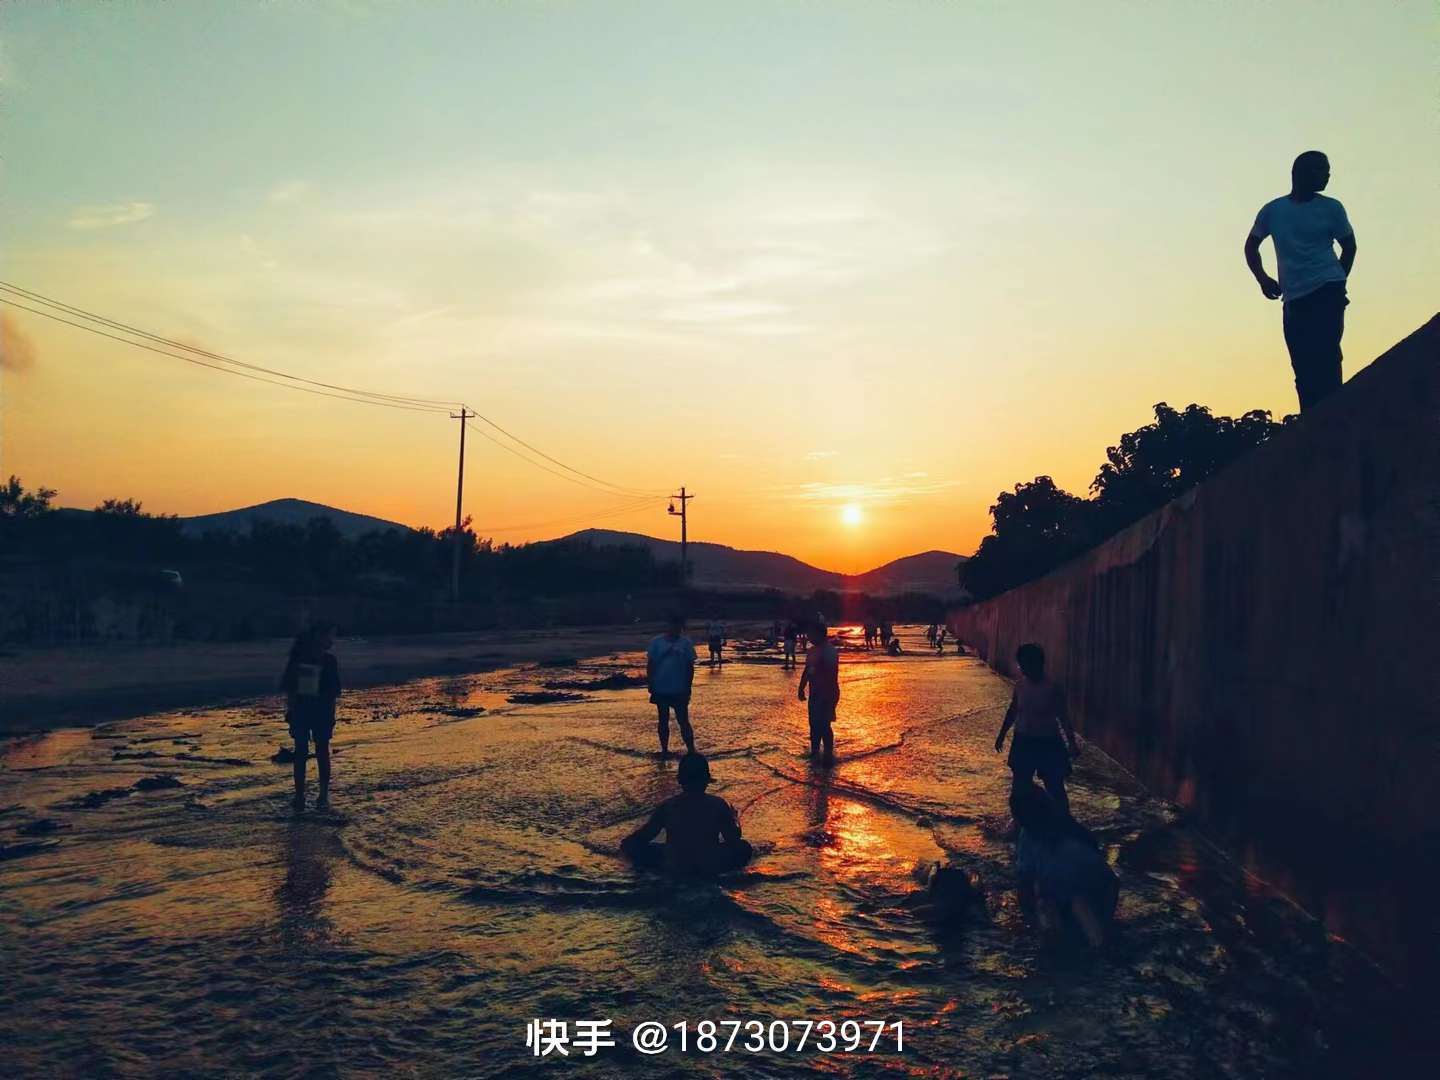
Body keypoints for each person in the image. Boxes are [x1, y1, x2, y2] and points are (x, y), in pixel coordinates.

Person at [1244, 150, 1357, 412]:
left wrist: (1339, 280)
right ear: (1300, 173)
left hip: (1327, 289)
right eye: (1320, 169)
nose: (1327, 175)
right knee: (1302, 363)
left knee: (1327, 354)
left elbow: (1349, 246)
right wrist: (1263, 279)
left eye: (1327, 170)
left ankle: (1334, 412)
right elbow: (1251, 246)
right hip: (1294, 296)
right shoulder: (1273, 210)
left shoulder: (1331, 208)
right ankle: (1311, 419)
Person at [1011, 781, 1117, 948]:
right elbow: (1025, 880)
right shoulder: (1029, 835)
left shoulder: (1071, 846)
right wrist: (1031, 919)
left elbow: (1109, 883)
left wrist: (1104, 920)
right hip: (1060, 890)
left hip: (1088, 894)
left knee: (1079, 909)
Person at [621, 752, 753, 874]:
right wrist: (735, 819)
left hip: (675, 863)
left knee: (639, 848)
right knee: (743, 847)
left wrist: (628, 843)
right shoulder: (717, 804)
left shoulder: (668, 806)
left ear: (680, 780)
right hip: (708, 863)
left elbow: (644, 835)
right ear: (706, 780)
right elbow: (732, 838)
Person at [994, 643, 1079, 813]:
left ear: (1038, 663)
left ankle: (1063, 819)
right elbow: (1013, 711)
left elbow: (1063, 717)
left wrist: (1072, 743)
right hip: (1023, 740)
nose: (1023, 669)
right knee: (1019, 785)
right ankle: (1021, 819)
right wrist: (1001, 735)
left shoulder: (1052, 688)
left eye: (1026, 664)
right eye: (1021, 665)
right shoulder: (1020, 686)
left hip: (1048, 741)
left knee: (1054, 786)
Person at [280, 622, 341, 812]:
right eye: (330, 636)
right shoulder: (327, 660)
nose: (332, 640)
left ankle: (300, 797)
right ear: (320, 637)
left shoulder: (300, 657)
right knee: (320, 752)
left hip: (303, 711)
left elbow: (289, 688)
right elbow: (335, 691)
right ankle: (321, 796)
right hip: (317, 711)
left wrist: (291, 709)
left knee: (301, 753)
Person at [647, 613, 697, 756]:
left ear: (681, 627)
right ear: (668, 626)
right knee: (663, 720)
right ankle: (664, 750)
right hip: (661, 687)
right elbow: (651, 664)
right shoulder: (656, 643)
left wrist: (688, 686)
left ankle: (692, 751)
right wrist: (650, 683)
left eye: (678, 626)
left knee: (683, 720)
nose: (675, 628)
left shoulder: (686, 643)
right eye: (672, 625)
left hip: (679, 689)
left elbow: (690, 667)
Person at [798, 621, 840, 764]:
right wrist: (801, 687)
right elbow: (807, 670)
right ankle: (815, 752)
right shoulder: (812, 651)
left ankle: (828, 755)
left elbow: (831, 676)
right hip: (815, 693)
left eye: (811, 633)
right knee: (813, 724)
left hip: (828, 693)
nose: (808, 636)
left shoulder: (829, 651)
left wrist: (829, 699)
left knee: (824, 725)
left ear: (819, 634)